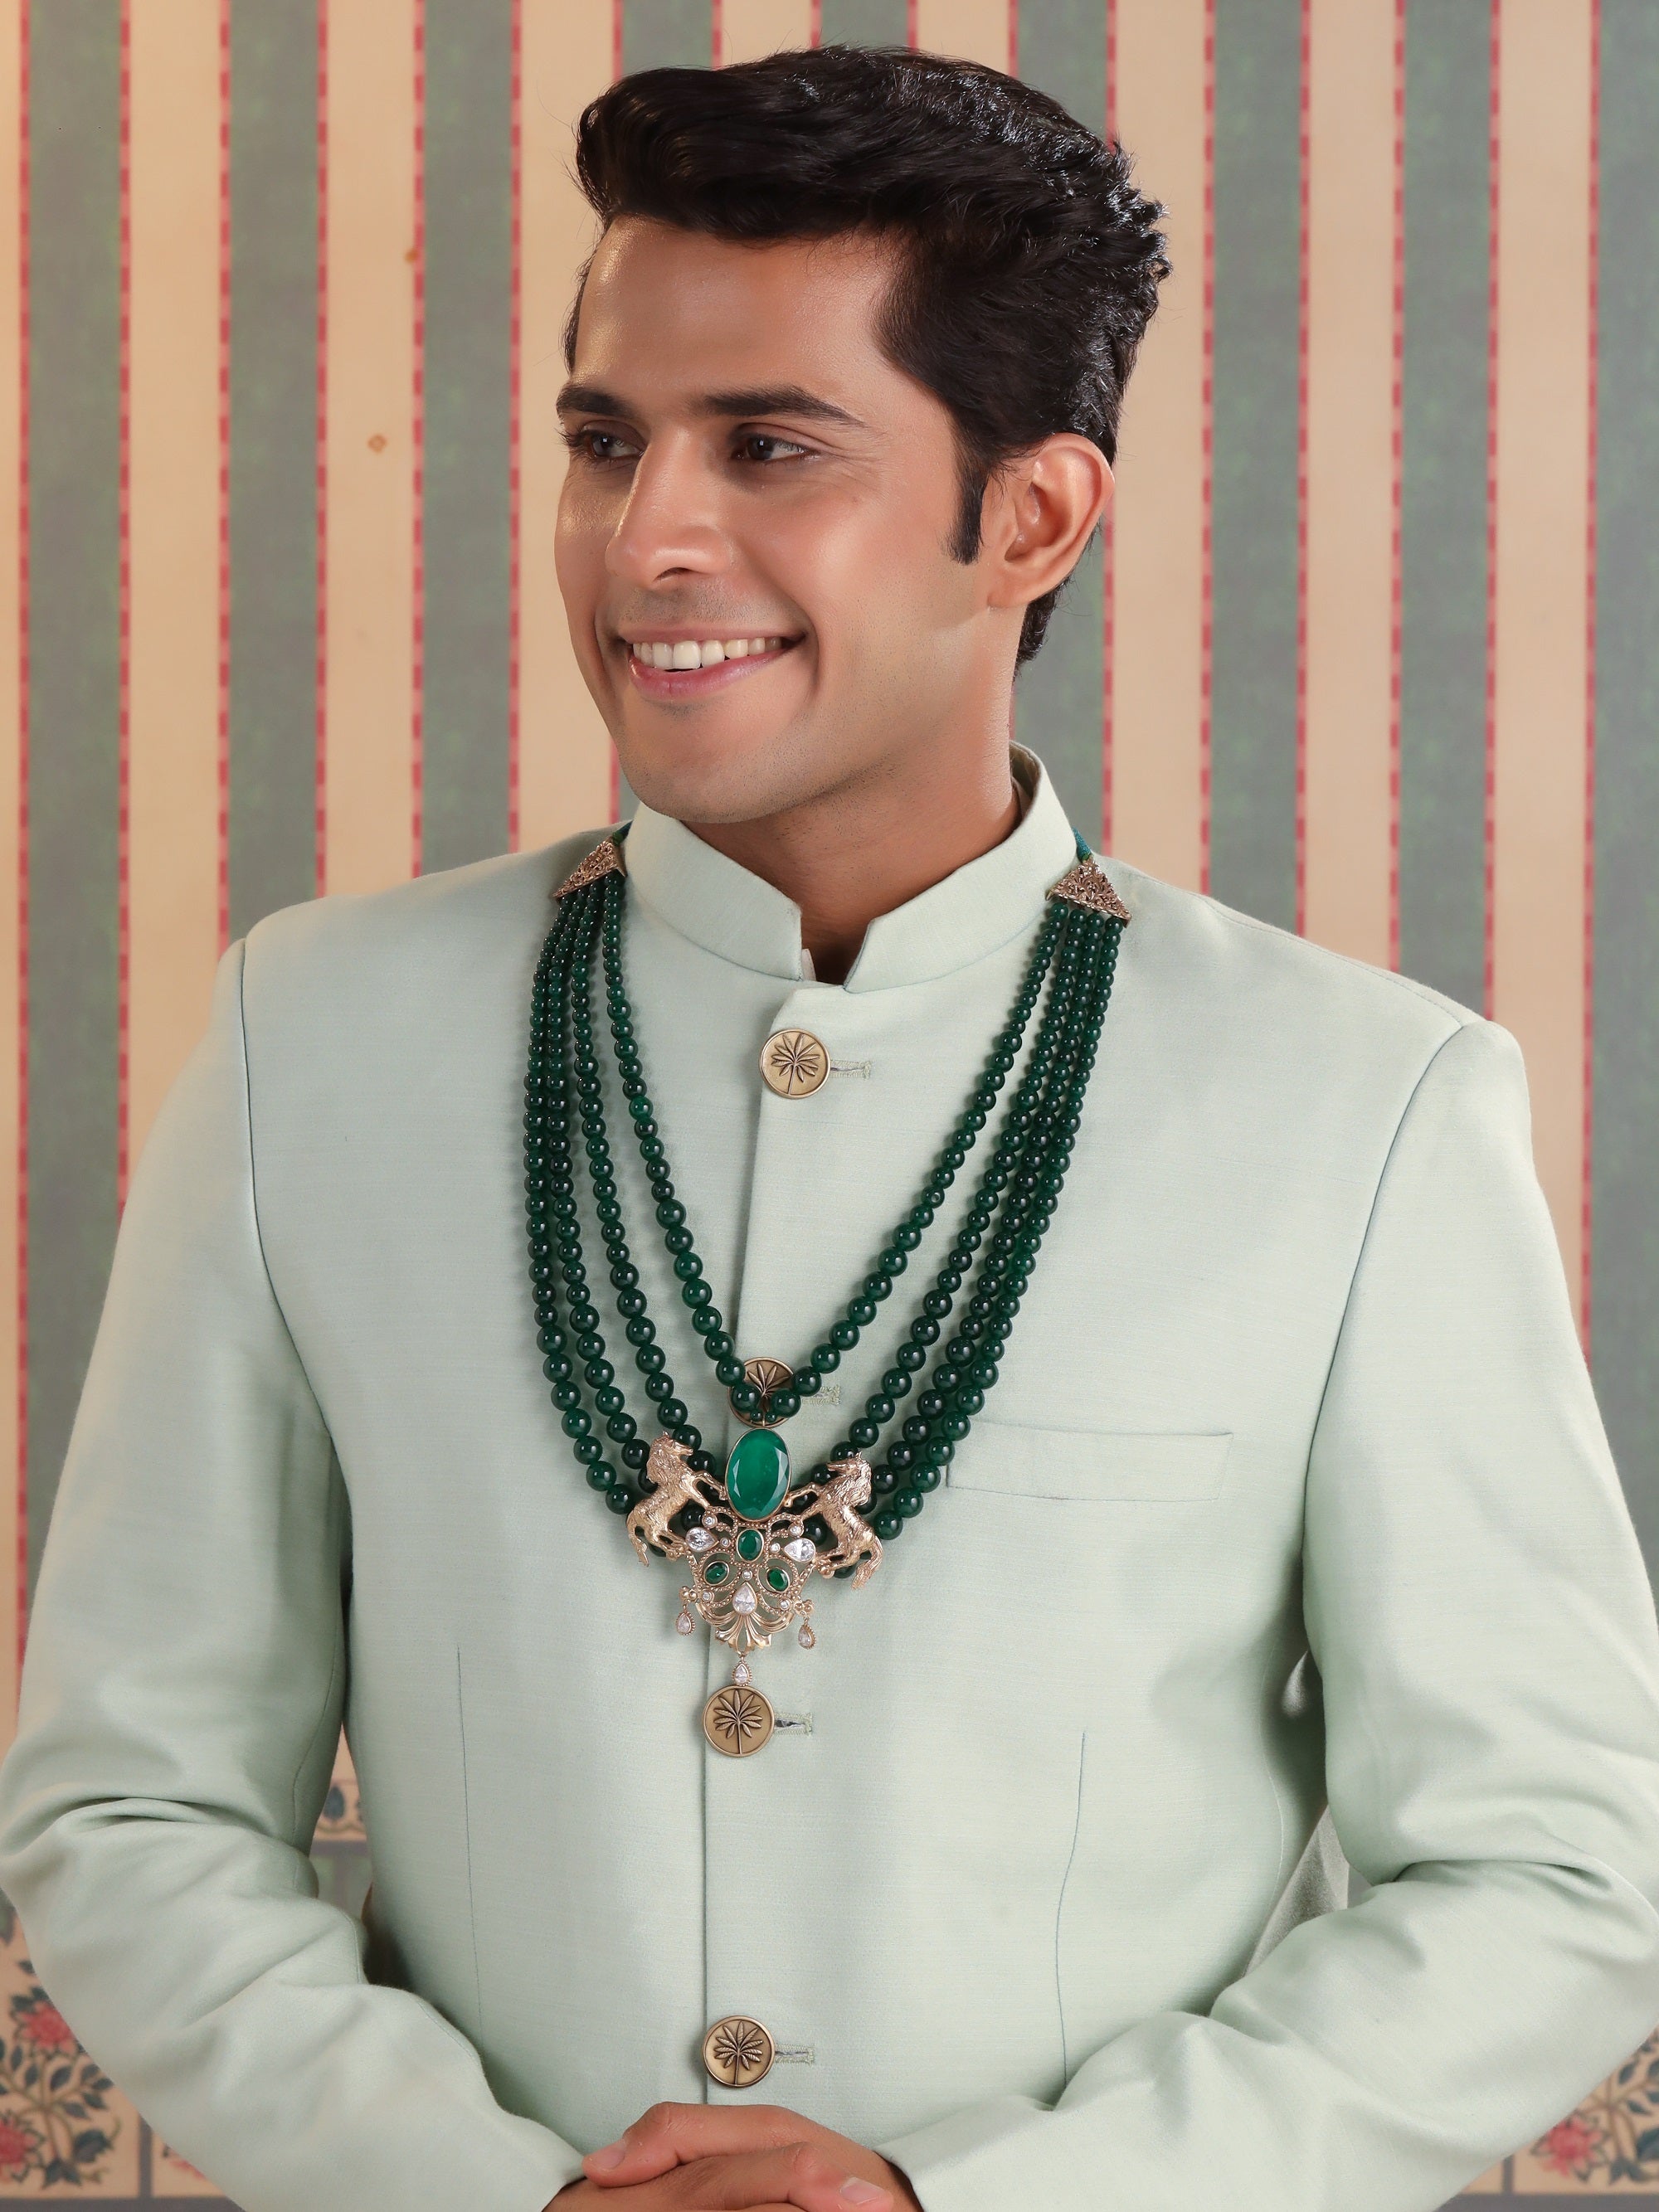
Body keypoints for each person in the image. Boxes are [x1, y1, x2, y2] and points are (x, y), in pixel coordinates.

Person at [1, 41, 1657, 2212]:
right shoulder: (310, 1045)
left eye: (770, 446)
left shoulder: (1363, 1109)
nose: (647, 539)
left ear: (1031, 517)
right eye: (607, 441)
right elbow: (131, 1806)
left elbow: (1549, 1869)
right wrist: (499, 2194)